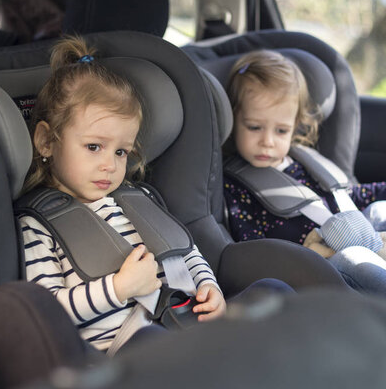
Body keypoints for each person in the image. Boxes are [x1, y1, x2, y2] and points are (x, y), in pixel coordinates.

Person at [18, 37, 292, 354]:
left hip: (186, 328)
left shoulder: (137, 199)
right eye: (94, 147)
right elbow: (46, 314)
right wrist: (119, 289)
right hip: (129, 353)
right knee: (154, 343)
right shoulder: (38, 226)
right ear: (46, 141)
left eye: (121, 151)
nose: (109, 164)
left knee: (273, 291)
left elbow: (184, 252)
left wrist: (208, 286)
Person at [222, 49, 386, 347]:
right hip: (323, 266)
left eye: (281, 130)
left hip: (368, 238)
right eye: (254, 127)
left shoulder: (304, 160)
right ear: (233, 119)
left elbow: (353, 195)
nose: (268, 141)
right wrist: (305, 250)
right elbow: (252, 245)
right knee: (355, 257)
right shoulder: (235, 184)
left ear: (296, 125)